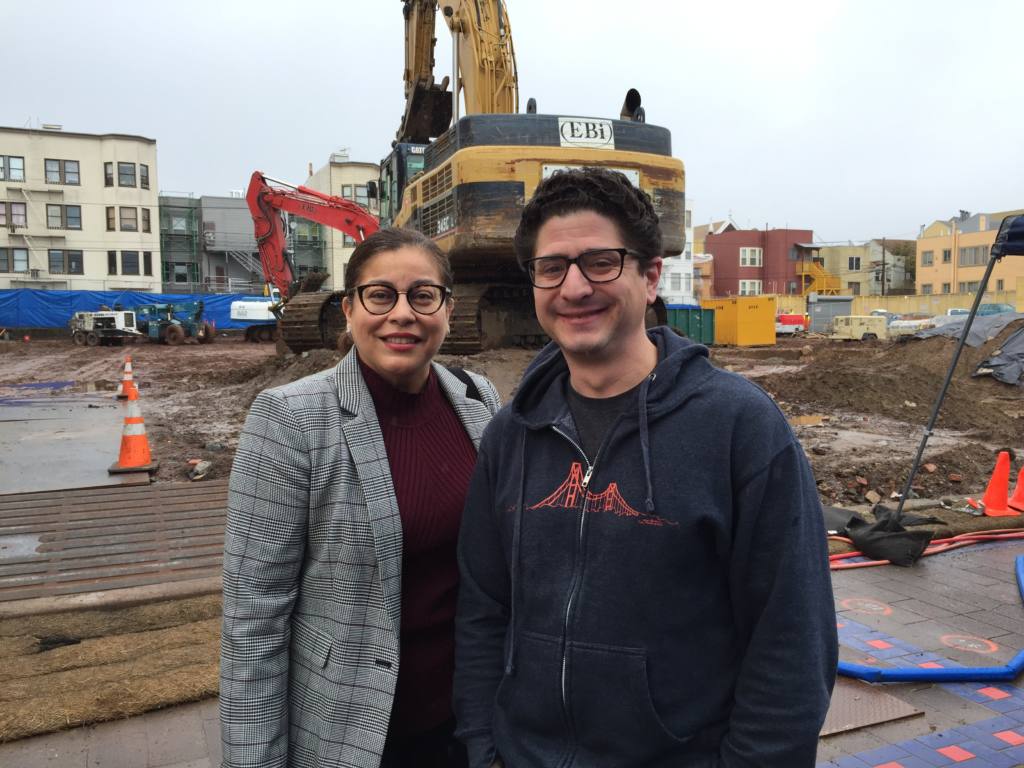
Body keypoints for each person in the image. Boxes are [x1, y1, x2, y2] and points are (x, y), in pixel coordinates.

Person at [454, 169, 837, 768]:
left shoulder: (739, 428)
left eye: (600, 262)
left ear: (651, 275)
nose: (574, 287)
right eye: (551, 268)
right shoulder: (512, 434)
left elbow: (791, 640)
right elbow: (482, 611)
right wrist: (485, 748)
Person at [221, 227, 501, 768]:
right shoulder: (291, 418)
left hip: (470, 723)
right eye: (381, 295)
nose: (403, 314)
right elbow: (253, 619)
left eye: (423, 296)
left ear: (447, 310)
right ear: (349, 309)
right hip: (355, 731)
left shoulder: (477, 399)